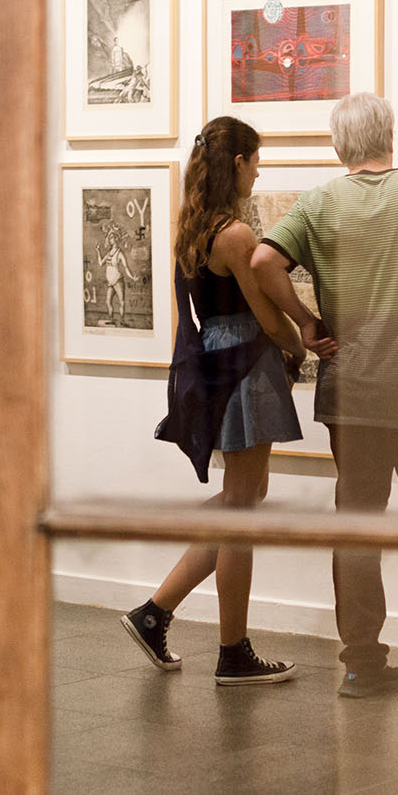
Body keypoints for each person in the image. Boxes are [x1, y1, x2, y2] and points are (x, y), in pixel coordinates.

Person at [250, 91, 398, 707]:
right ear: (391, 137)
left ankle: (362, 668)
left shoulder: (317, 202)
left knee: (357, 526)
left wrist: (307, 321)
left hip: (352, 395)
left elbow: (262, 260)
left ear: (340, 146)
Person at [122, 116, 307, 686]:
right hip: (245, 365)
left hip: (218, 361)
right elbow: (266, 317)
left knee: (242, 501)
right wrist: (302, 342)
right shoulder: (236, 235)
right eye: (256, 162)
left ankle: (154, 614)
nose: (259, 173)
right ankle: (233, 652)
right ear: (238, 163)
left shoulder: (193, 228)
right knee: (241, 515)